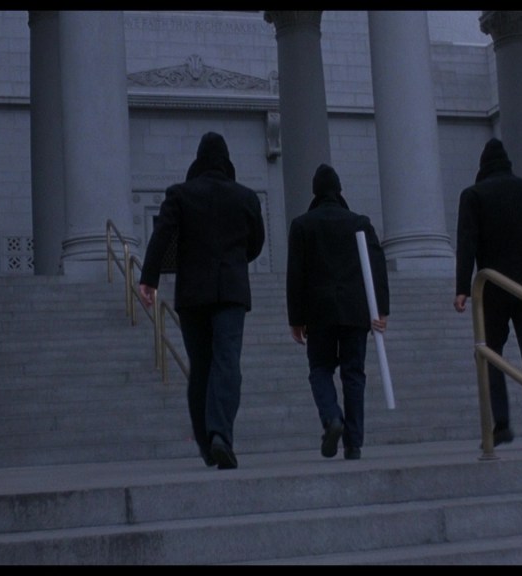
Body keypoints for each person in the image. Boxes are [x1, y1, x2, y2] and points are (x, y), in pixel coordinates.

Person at [139, 131, 265, 470]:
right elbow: (256, 244)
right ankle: (220, 433)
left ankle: (208, 448)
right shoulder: (246, 197)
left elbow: (162, 234)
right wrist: (236, 259)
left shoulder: (180, 194)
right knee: (227, 362)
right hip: (231, 292)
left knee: (201, 368)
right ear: (227, 163)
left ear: (197, 161)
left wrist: (148, 279)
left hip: (192, 294)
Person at [453, 138, 522, 450]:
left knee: (488, 353)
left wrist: (462, 288)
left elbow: (467, 243)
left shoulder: (474, 195)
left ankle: (500, 424)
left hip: (494, 289)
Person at [286, 163, 390, 461]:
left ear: (315, 192)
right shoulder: (359, 222)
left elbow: (295, 275)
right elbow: (377, 267)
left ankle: (332, 417)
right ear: (340, 190)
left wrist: (296, 318)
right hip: (356, 312)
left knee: (320, 369)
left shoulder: (302, 224)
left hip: (318, 312)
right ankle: (354, 443)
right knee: (354, 373)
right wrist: (381, 310)